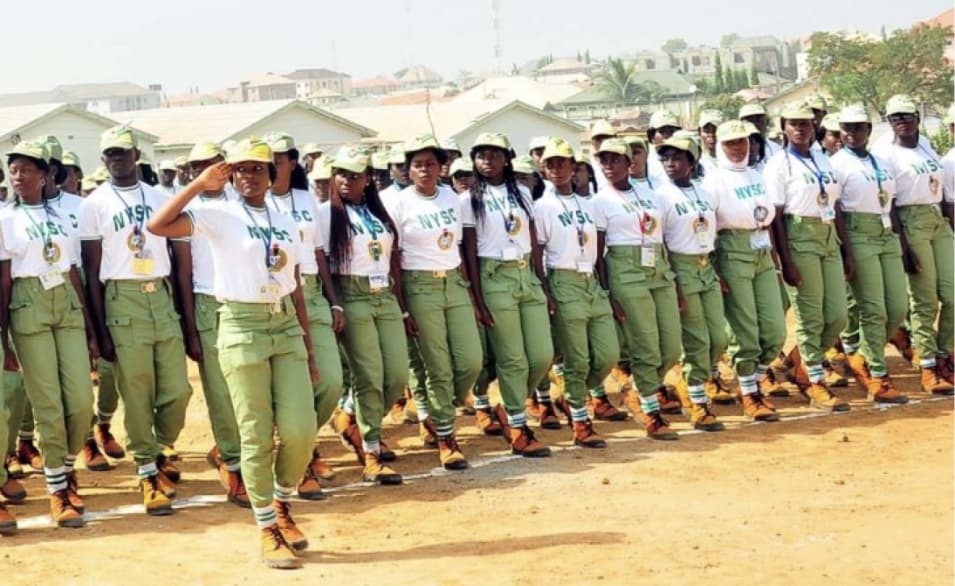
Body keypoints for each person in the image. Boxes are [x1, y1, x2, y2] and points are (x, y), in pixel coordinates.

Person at [147, 137, 318, 569]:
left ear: (272, 174)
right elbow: (158, 225)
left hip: (285, 327)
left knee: (300, 430)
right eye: (240, 169)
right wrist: (198, 184)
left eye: (257, 169)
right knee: (255, 434)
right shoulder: (217, 214)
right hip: (241, 325)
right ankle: (267, 526)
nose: (248, 176)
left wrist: (310, 347)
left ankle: (280, 501)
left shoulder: (285, 219)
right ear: (231, 174)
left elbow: (293, 281)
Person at [79, 125, 192, 515]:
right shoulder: (94, 204)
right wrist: (99, 329)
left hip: (159, 295)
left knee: (178, 390)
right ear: (103, 159)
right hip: (121, 299)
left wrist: (182, 311)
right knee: (137, 392)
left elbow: (179, 261)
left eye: (123, 152)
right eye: (110, 153)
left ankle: (160, 449)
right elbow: (91, 271)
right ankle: (146, 471)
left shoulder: (162, 197)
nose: (116, 159)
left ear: (137, 155)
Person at [0, 140, 98, 528]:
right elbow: (4, 281)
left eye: (27, 169)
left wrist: (90, 327)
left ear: (45, 175)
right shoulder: (5, 218)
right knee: (48, 404)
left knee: (79, 402)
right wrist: (4, 336)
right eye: (14, 169)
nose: (18, 176)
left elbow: (73, 269)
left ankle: (65, 464)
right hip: (28, 306)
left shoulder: (62, 216)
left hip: (67, 304)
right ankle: (59, 488)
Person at [389, 134, 481, 470]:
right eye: (417, 165)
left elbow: (457, 244)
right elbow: (393, 256)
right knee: (437, 365)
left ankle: (433, 407)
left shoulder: (452, 198)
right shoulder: (398, 203)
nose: (424, 170)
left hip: (453, 282)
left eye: (430, 164)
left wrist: (469, 291)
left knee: (471, 360)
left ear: (442, 168)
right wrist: (402, 303)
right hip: (419, 284)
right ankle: (446, 436)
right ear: (408, 170)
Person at [168, 141, 249, 507]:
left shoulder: (244, 202)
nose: (207, 171)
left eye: (213, 164)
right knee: (220, 393)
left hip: (247, 302)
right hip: (207, 303)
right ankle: (234, 465)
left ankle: (242, 455)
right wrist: (189, 328)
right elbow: (183, 272)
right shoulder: (189, 208)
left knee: (251, 390)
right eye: (198, 166)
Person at [319, 146, 407, 484]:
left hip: (383, 296)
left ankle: (350, 414)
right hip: (352, 295)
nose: (345, 180)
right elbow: (323, 263)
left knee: (396, 375)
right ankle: (371, 452)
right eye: (340, 173)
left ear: (368, 179)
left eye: (354, 175)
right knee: (369, 375)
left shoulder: (378, 212)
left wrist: (400, 303)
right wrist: (336, 302)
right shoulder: (326, 213)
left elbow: (392, 259)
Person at [264, 132, 344, 497]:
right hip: (275, 297)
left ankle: (303, 445)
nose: (272, 165)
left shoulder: (304, 197)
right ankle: (302, 460)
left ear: (293, 162)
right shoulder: (251, 199)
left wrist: (334, 300)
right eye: (268, 159)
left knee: (329, 383)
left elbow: (319, 251)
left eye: (279, 159)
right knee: (287, 387)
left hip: (311, 293)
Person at [463, 132, 553, 457]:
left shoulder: (524, 194)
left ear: (507, 158)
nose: (488, 159)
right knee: (512, 357)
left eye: (495, 153)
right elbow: (470, 252)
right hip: (494, 276)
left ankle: (509, 407)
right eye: (481, 154)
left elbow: (531, 240)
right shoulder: (468, 199)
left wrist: (539, 280)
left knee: (542, 355)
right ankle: (518, 426)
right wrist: (477, 296)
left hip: (524, 273)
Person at [593, 138, 682, 440]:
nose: (608, 166)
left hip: (658, 266)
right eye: (603, 160)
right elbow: (598, 253)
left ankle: (636, 390)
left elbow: (663, 237)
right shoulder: (599, 201)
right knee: (646, 345)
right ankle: (649, 409)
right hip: (625, 269)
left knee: (670, 347)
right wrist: (607, 292)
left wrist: (675, 280)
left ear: (629, 163)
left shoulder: (651, 194)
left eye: (615, 160)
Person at [766, 104, 852, 412]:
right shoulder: (779, 164)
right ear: (784, 127)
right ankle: (815, 383)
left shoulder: (822, 159)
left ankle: (800, 364)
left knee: (838, 315)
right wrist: (784, 259)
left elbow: (836, 203)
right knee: (810, 314)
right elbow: (775, 217)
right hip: (799, 235)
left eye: (806, 123)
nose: (801, 129)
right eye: (794, 124)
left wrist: (845, 247)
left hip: (828, 233)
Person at [536, 137, 617, 447]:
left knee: (607, 353)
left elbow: (598, 245)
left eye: (563, 162)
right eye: (551, 163)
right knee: (578, 358)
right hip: (564, 279)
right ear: (544, 169)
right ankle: (581, 422)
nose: (557, 168)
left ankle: (574, 397)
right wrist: (547, 291)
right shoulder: (543, 207)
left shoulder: (590, 204)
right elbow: (537, 251)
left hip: (591, 281)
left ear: (574, 167)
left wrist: (602, 285)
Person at [702, 120, 785, 420]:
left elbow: (770, 216)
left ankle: (753, 379)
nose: (738, 149)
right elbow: (708, 227)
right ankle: (749, 391)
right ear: (720, 147)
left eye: (742, 142)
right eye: (731, 143)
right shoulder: (713, 181)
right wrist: (716, 268)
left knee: (775, 330)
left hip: (761, 249)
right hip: (732, 249)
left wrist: (775, 257)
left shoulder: (758, 175)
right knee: (745, 329)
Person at [873, 95, 954, 392]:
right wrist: (902, 244)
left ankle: (947, 353)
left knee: (953, 294)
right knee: (924, 299)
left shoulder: (927, 146)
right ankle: (929, 365)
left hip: (937, 219)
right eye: (895, 118)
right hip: (910, 222)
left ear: (917, 118)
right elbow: (889, 202)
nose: (901, 122)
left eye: (906, 116)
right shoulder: (886, 153)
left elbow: (942, 191)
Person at [829, 104, 909, 403]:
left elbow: (893, 200)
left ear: (869, 130)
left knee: (898, 307)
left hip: (885, 230)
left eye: (859, 127)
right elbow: (834, 208)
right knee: (873, 307)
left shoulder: (881, 160)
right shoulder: (836, 164)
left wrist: (899, 238)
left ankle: (863, 354)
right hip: (857, 231)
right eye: (847, 127)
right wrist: (845, 249)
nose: (852, 133)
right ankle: (878, 374)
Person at [655, 136, 726, 431]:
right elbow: (661, 243)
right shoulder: (660, 196)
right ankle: (697, 403)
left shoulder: (705, 193)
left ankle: (690, 383)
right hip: (681, 267)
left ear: (692, 163)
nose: (671, 164)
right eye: (666, 159)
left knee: (718, 339)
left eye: (678, 158)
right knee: (697, 338)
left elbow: (713, 232)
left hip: (705, 265)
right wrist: (674, 281)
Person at [378, 145, 410, 214]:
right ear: (390, 171)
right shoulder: (383, 197)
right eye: (399, 165)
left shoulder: (426, 192)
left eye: (408, 164)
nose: (405, 168)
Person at [697, 110, 724, 175]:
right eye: (706, 131)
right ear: (699, 132)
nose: (711, 135)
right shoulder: (697, 162)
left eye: (715, 130)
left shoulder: (734, 159)